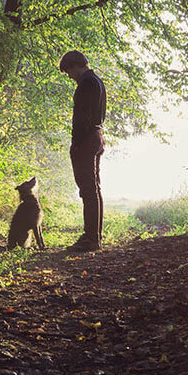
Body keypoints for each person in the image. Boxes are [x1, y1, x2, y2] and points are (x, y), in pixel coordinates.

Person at [59, 50, 106, 252]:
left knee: (88, 189)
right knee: (94, 189)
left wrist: (76, 142)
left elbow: (82, 117)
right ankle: (94, 236)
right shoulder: (97, 81)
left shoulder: (87, 83)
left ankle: (90, 239)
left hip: (86, 139)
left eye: (69, 71)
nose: (69, 76)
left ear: (75, 65)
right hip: (96, 136)